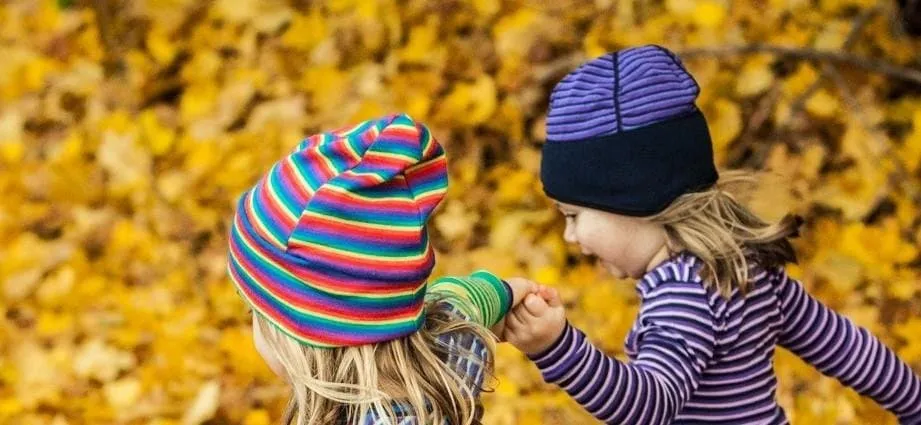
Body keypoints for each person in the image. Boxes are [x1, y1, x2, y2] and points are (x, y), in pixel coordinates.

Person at [498, 45, 921, 424]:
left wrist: (556, 347)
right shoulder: (741, 266)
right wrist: (913, 402)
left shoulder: (684, 294)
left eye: (574, 215)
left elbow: (649, 404)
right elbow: (842, 345)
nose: (570, 236)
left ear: (634, 200)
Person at [226, 114, 534, 424]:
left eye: (255, 313)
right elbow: (462, 299)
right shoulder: (451, 345)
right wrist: (506, 292)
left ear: (302, 332)